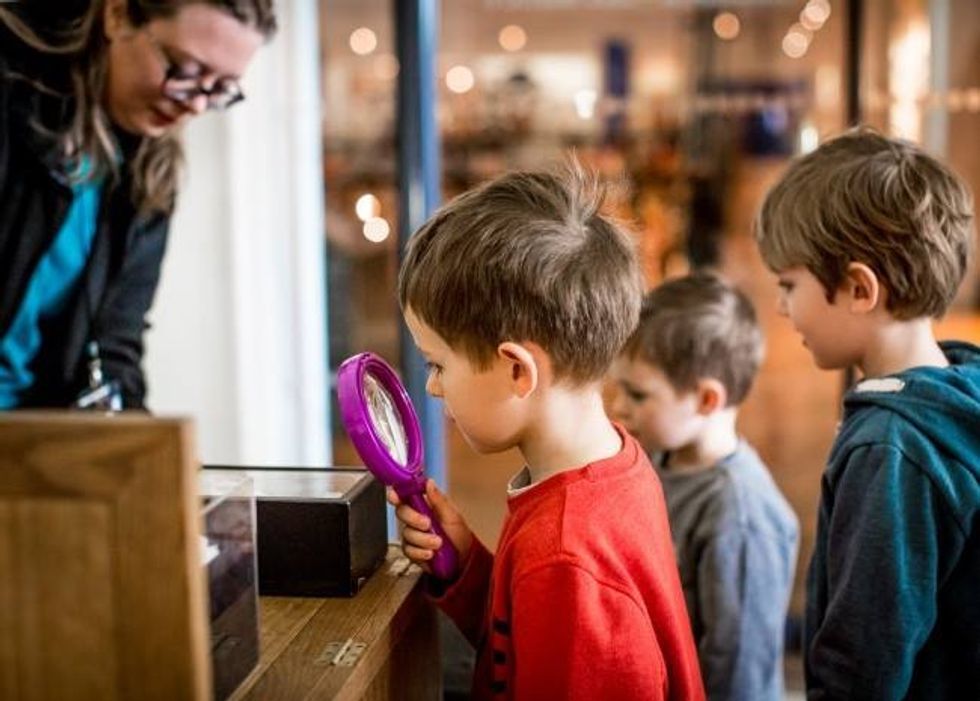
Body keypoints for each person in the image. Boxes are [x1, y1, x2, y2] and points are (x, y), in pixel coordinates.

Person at [390, 165, 705, 700]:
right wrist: (467, 565)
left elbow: (562, 611)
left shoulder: (563, 555)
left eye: (438, 365)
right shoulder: (616, 464)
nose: (435, 388)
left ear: (518, 370)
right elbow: (524, 637)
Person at [754, 127, 980, 699]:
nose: (781, 308)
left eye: (789, 285)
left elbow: (862, 665)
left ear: (859, 288)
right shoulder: (957, 389)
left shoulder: (892, 446)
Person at [0, 0, 276, 409]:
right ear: (117, 15)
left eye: (220, 88)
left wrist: (136, 456)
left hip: (31, 440)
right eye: (185, 70)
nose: (196, 104)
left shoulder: (149, 176)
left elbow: (115, 347)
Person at [610, 272, 799, 701]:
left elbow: (738, 672)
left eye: (638, 395)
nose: (619, 407)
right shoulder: (656, 459)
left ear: (707, 399)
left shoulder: (740, 516)